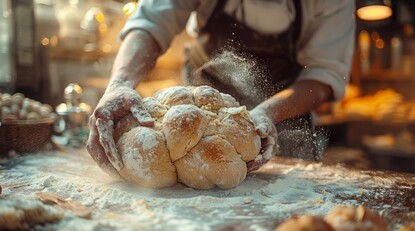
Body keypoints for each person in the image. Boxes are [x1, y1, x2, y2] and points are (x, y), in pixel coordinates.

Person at [86, 0, 356, 177]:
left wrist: (266, 114)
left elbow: (326, 73)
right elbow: (150, 24)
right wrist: (119, 84)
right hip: (193, 128)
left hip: (281, 123)